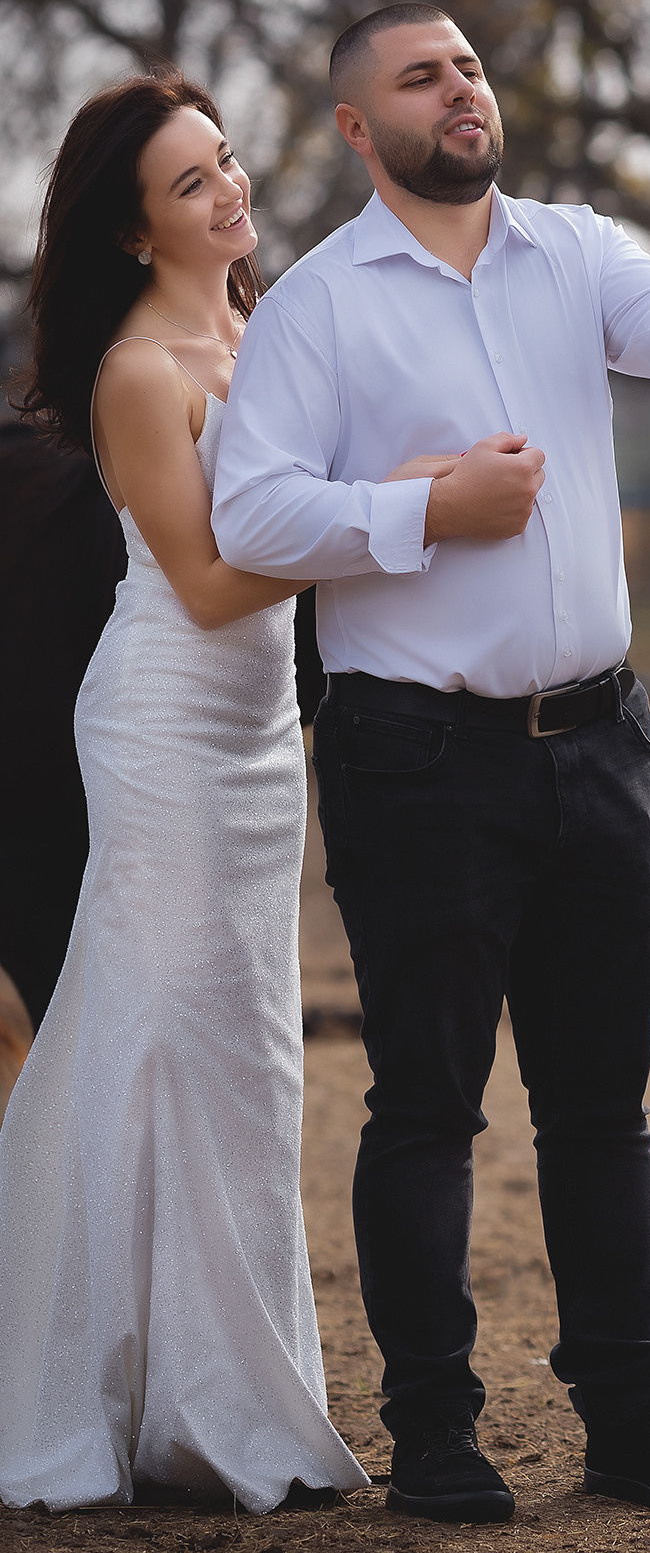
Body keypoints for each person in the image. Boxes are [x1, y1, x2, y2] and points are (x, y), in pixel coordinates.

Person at [211, 3, 650, 1523]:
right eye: (421, 77)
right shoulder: (316, 306)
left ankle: (629, 1423)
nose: (459, 89)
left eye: (465, 67)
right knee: (426, 1107)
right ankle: (434, 1435)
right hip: (414, 758)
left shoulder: (574, 249)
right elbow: (250, 512)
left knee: (601, 1109)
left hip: (602, 743)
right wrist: (424, 513)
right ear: (357, 127)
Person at [0, 73, 377, 1512]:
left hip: (264, 742)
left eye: (223, 162)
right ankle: (99, 1394)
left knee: (248, 1060)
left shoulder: (265, 333)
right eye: (190, 183)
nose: (230, 191)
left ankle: (219, 1395)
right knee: (160, 1041)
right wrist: (396, 520)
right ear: (132, 231)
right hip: (164, 724)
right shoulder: (139, 375)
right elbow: (212, 587)